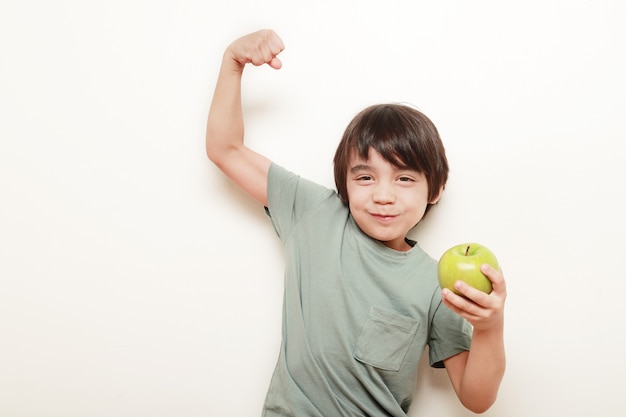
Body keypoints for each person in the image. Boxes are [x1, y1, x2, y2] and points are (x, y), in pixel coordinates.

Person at [206, 29, 506, 416]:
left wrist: (490, 326)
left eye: (404, 178)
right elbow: (224, 149)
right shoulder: (314, 212)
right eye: (365, 177)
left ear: (436, 189)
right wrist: (233, 62)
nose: (383, 195)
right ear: (343, 184)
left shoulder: (439, 287)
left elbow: (477, 398)